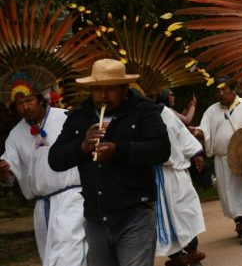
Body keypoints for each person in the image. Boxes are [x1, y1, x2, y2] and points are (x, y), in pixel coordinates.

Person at [49, 58, 171, 266]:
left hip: (135, 213)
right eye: (97, 89)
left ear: (125, 88)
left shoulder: (144, 110)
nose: (103, 96)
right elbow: (55, 159)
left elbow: (161, 150)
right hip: (95, 218)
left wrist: (119, 151)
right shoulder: (79, 116)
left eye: (111, 89)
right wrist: (82, 147)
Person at [0, 74, 87, 266]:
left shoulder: (66, 118)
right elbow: (9, 177)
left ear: (41, 99)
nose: (25, 107)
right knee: (51, 259)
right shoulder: (15, 135)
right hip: (43, 206)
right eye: (20, 103)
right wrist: (4, 172)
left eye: (29, 100)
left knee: (69, 257)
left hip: (73, 198)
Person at [191, 78, 242, 245]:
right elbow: (204, 131)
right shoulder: (211, 111)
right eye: (218, 91)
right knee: (228, 194)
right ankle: (241, 222)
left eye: (224, 90)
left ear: (233, 90)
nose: (220, 93)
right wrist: (195, 132)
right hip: (222, 160)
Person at [155, 103, 206, 266]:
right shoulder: (133, 116)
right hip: (152, 177)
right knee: (162, 219)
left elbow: (182, 133)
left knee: (184, 211)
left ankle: (192, 252)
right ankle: (176, 257)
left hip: (175, 172)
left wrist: (195, 153)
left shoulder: (164, 112)